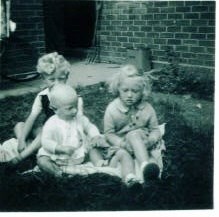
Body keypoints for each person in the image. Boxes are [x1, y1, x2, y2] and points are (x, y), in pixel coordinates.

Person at [37, 84, 137, 185]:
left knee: (93, 149)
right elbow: (46, 141)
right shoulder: (51, 124)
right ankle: (58, 174)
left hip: (81, 153)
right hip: (58, 157)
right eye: (69, 108)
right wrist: (59, 148)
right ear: (54, 108)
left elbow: (89, 127)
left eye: (76, 106)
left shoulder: (79, 118)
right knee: (42, 160)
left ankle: (101, 165)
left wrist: (95, 136)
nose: (75, 110)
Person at [9, 52, 83, 165]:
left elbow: (79, 120)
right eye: (52, 79)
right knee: (20, 125)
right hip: (47, 134)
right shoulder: (42, 96)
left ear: (67, 77)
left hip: (64, 133)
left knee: (44, 131)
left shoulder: (70, 95)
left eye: (61, 79)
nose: (57, 83)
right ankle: (26, 146)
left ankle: (22, 157)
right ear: (43, 79)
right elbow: (32, 117)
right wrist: (22, 139)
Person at [103, 64, 163, 181]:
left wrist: (151, 140)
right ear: (118, 89)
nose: (129, 95)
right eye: (125, 90)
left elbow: (155, 129)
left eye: (135, 91)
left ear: (142, 91)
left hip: (142, 143)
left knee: (147, 153)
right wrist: (122, 144)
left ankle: (148, 170)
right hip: (122, 145)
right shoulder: (112, 109)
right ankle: (130, 180)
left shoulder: (147, 108)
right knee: (125, 157)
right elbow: (109, 133)